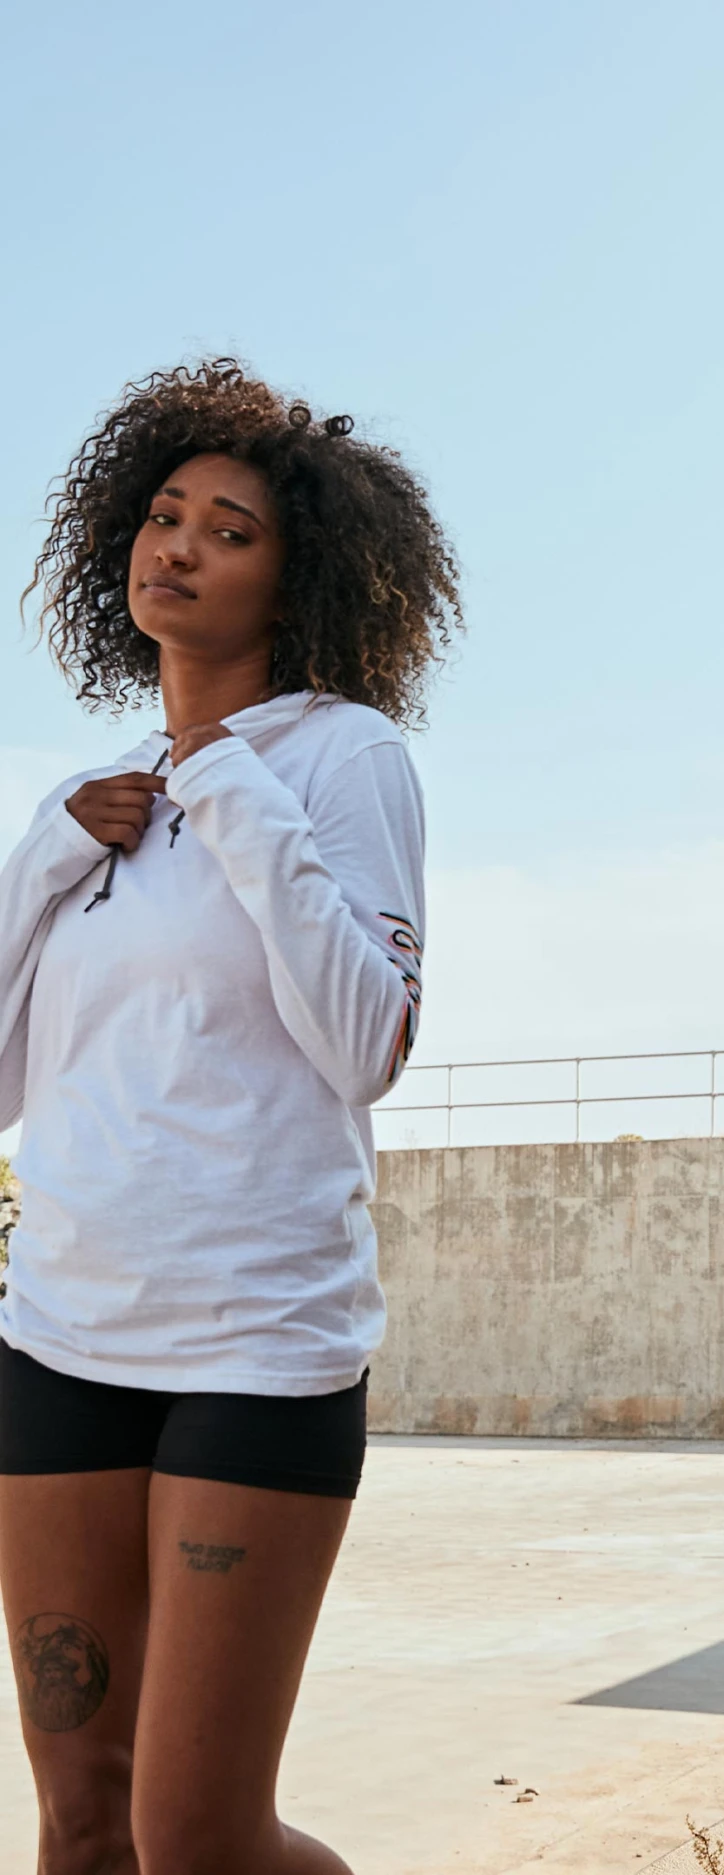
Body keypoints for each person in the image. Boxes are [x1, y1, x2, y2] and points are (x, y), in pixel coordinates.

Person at [0, 360, 460, 1875]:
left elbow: (367, 1043)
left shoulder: (343, 755)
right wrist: (44, 862)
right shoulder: (94, 799)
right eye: (163, 514)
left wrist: (237, 794)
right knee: (81, 1823)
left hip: (257, 1346)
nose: (179, 547)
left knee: (194, 1833)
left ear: (297, 574)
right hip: (59, 1338)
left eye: (230, 530)